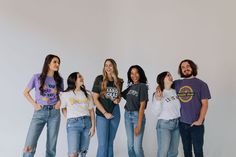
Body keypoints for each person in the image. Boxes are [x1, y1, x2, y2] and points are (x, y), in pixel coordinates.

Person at [23, 54, 64, 157]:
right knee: (30, 143)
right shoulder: (37, 77)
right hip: (40, 112)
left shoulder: (59, 80)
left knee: (51, 145)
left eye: (58, 62)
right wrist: (34, 104)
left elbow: (62, 96)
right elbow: (25, 92)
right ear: (48, 63)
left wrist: (59, 102)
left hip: (55, 113)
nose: (57, 64)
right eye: (55, 62)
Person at [173, 59, 211, 157]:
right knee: (186, 151)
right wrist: (158, 89)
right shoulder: (177, 84)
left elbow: (205, 104)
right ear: (181, 70)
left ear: (192, 67)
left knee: (198, 151)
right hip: (182, 123)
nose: (185, 69)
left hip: (197, 125)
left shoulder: (202, 84)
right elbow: (164, 85)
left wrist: (200, 120)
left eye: (188, 66)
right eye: (183, 67)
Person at [92, 58, 123, 157]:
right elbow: (95, 99)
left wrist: (118, 100)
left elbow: (118, 98)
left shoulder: (119, 81)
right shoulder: (99, 79)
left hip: (115, 112)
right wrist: (105, 113)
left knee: (110, 143)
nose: (108, 67)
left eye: (110, 65)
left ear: (114, 67)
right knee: (102, 144)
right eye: (106, 65)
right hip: (102, 114)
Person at [60, 72, 95, 157]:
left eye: (81, 76)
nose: (82, 77)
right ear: (74, 80)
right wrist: (69, 118)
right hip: (73, 124)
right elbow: (63, 108)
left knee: (83, 151)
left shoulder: (88, 94)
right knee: (73, 152)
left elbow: (91, 111)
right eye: (79, 76)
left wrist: (93, 126)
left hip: (87, 123)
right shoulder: (65, 94)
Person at [151, 71, 181, 157]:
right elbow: (155, 112)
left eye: (170, 75)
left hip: (177, 124)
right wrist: (158, 100)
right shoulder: (158, 93)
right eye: (167, 75)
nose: (170, 76)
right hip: (164, 125)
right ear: (162, 79)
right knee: (163, 152)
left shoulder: (175, 91)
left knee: (174, 152)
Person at [122, 65, 148, 157]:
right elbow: (120, 94)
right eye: (132, 73)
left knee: (137, 147)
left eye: (136, 73)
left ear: (140, 74)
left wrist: (139, 125)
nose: (134, 75)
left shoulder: (142, 86)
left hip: (137, 116)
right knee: (130, 146)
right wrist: (118, 82)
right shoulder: (130, 87)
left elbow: (142, 107)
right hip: (127, 116)